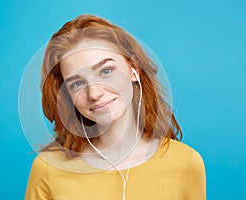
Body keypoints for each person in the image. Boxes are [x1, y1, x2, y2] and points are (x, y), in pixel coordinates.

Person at [25, 14, 206, 200]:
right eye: (77, 83)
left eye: (106, 71)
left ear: (134, 70)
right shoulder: (48, 168)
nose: (94, 93)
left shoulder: (185, 163)